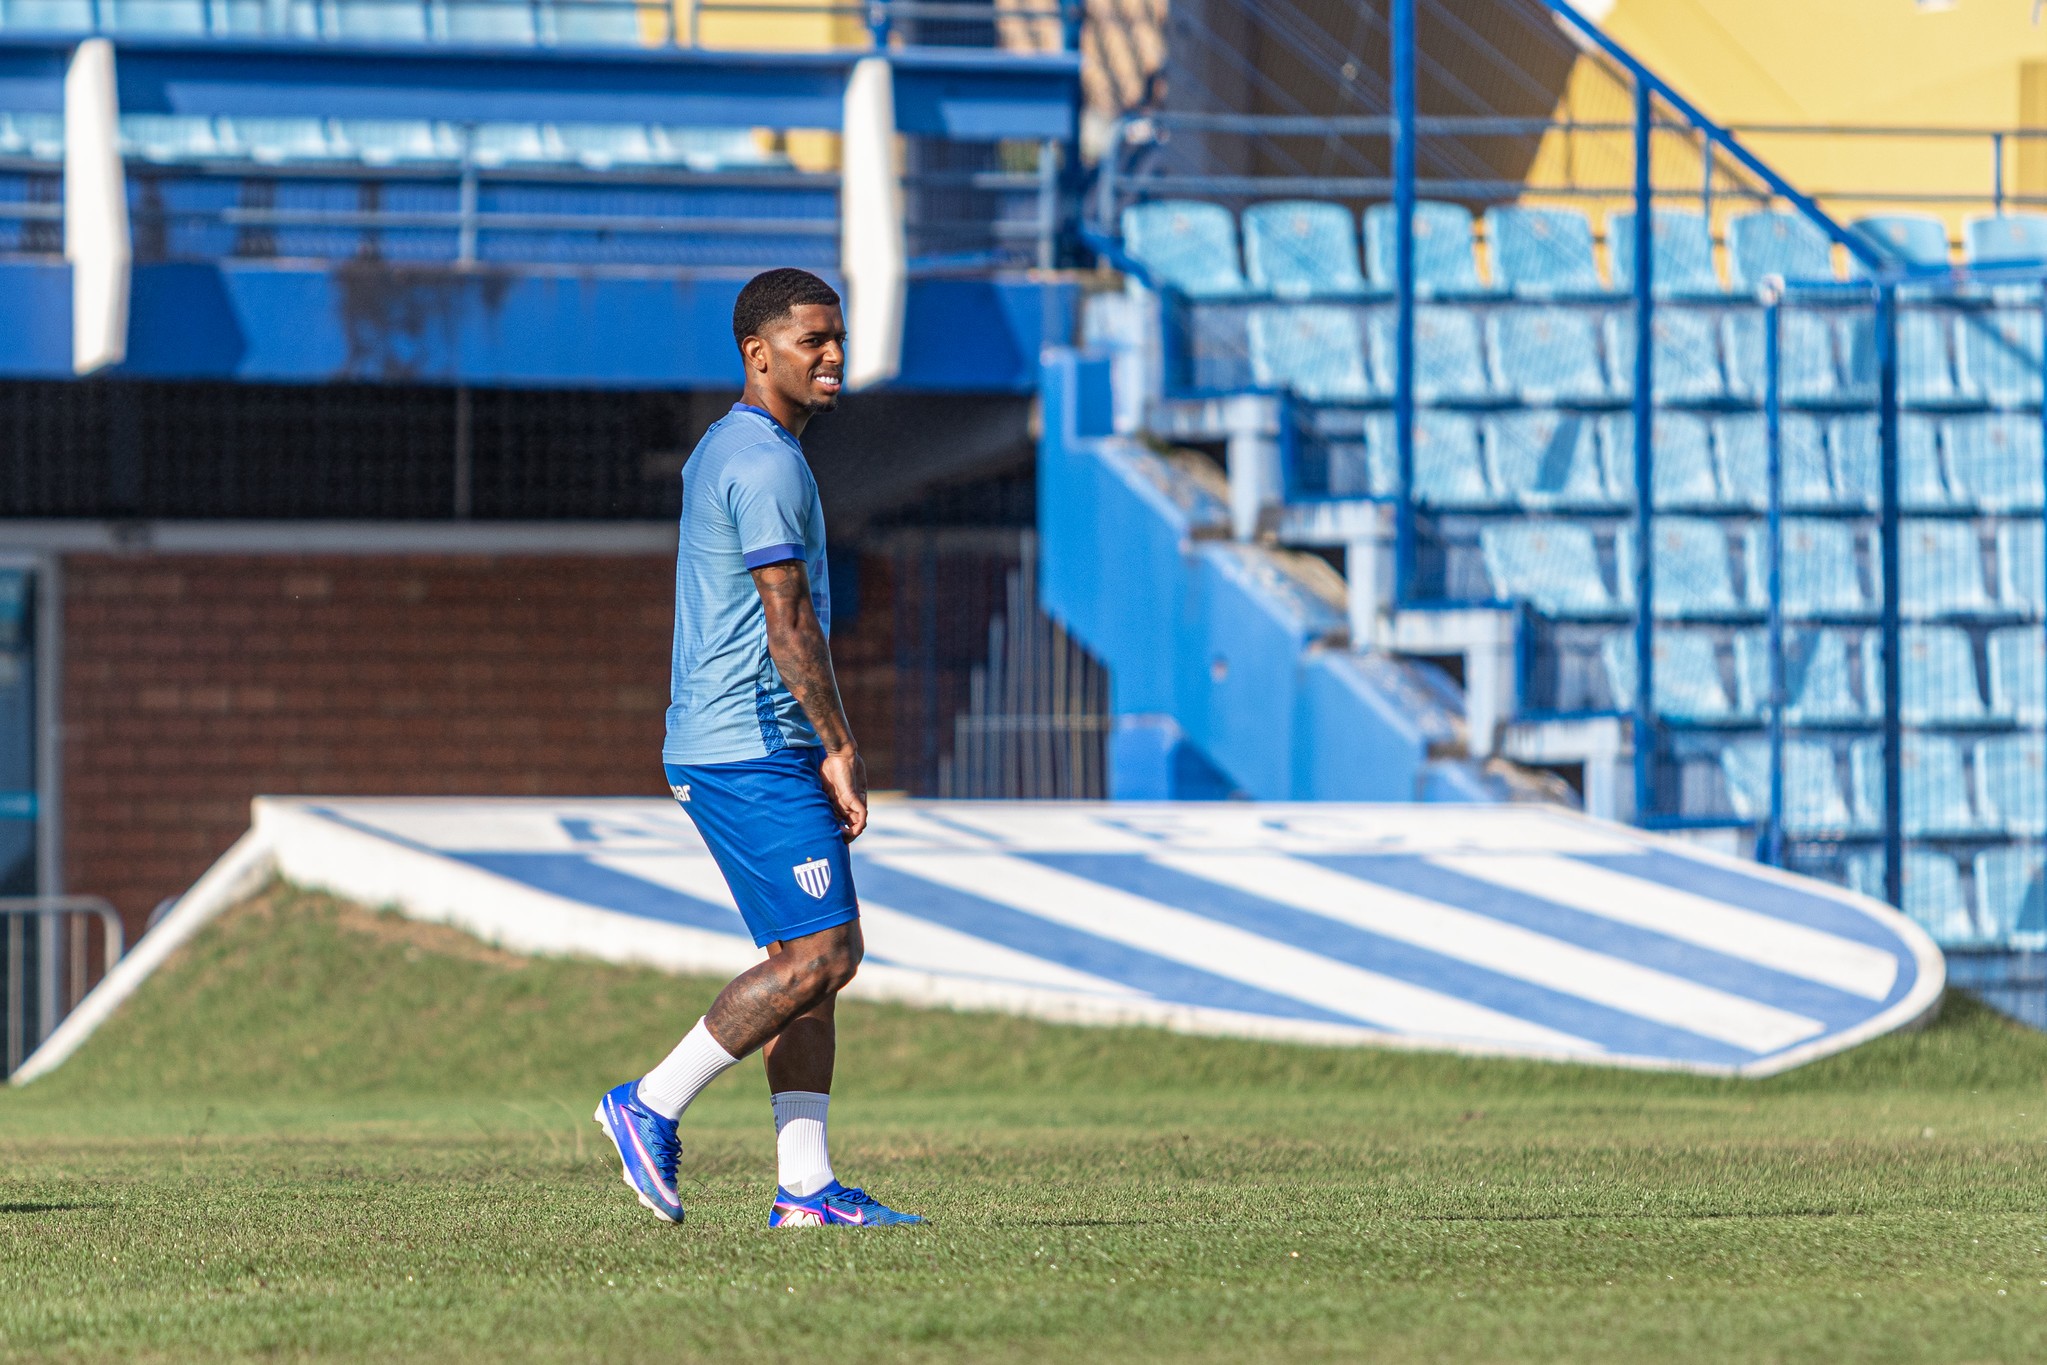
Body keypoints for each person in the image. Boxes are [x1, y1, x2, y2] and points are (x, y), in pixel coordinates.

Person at [594, 268, 921, 1229]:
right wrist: (840, 745)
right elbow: (788, 622)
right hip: (750, 743)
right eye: (812, 339)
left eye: (838, 338)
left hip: (735, 740)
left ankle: (807, 1191)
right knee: (822, 954)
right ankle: (647, 1103)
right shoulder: (766, 461)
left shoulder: (735, 448)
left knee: (806, 960)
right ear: (758, 352)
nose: (833, 355)